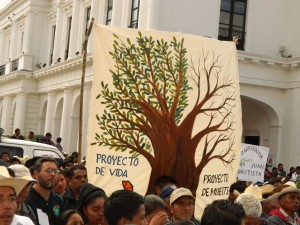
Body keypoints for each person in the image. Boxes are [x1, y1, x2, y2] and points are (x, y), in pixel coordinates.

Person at [25, 157, 64, 225]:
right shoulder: (26, 199)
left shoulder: (58, 200)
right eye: (48, 170)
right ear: (36, 174)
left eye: (55, 171)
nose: (53, 174)